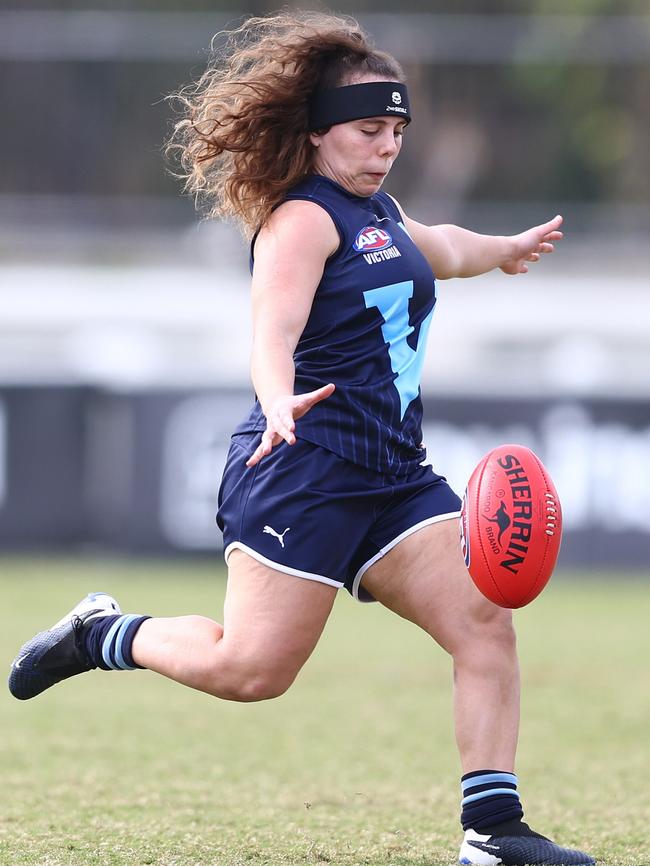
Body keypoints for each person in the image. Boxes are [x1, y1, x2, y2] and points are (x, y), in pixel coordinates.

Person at [8, 11, 594, 866]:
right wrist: (277, 400)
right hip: (303, 471)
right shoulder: (301, 222)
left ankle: (493, 836)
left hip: (395, 478)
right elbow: (270, 333)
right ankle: (104, 633)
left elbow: (443, 249)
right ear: (317, 133)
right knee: (252, 673)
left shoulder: (384, 214)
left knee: (484, 624)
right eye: (367, 130)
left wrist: (503, 248)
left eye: (396, 130)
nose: (385, 146)